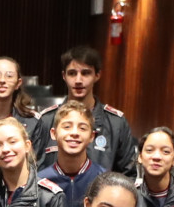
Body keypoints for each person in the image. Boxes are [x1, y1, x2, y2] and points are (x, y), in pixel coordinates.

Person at [31, 45, 134, 173]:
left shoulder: (116, 123)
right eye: (72, 73)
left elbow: (128, 174)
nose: (78, 80)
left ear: (97, 75)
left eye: (85, 73)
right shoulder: (46, 120)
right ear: (64, 76)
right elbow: (33, 170)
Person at [37, 100, 108, 207]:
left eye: (82, 128)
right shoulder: (40, 181)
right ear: (53, 133)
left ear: (92, 137)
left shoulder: (104, 181)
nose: (74, 133)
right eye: (67, 126)